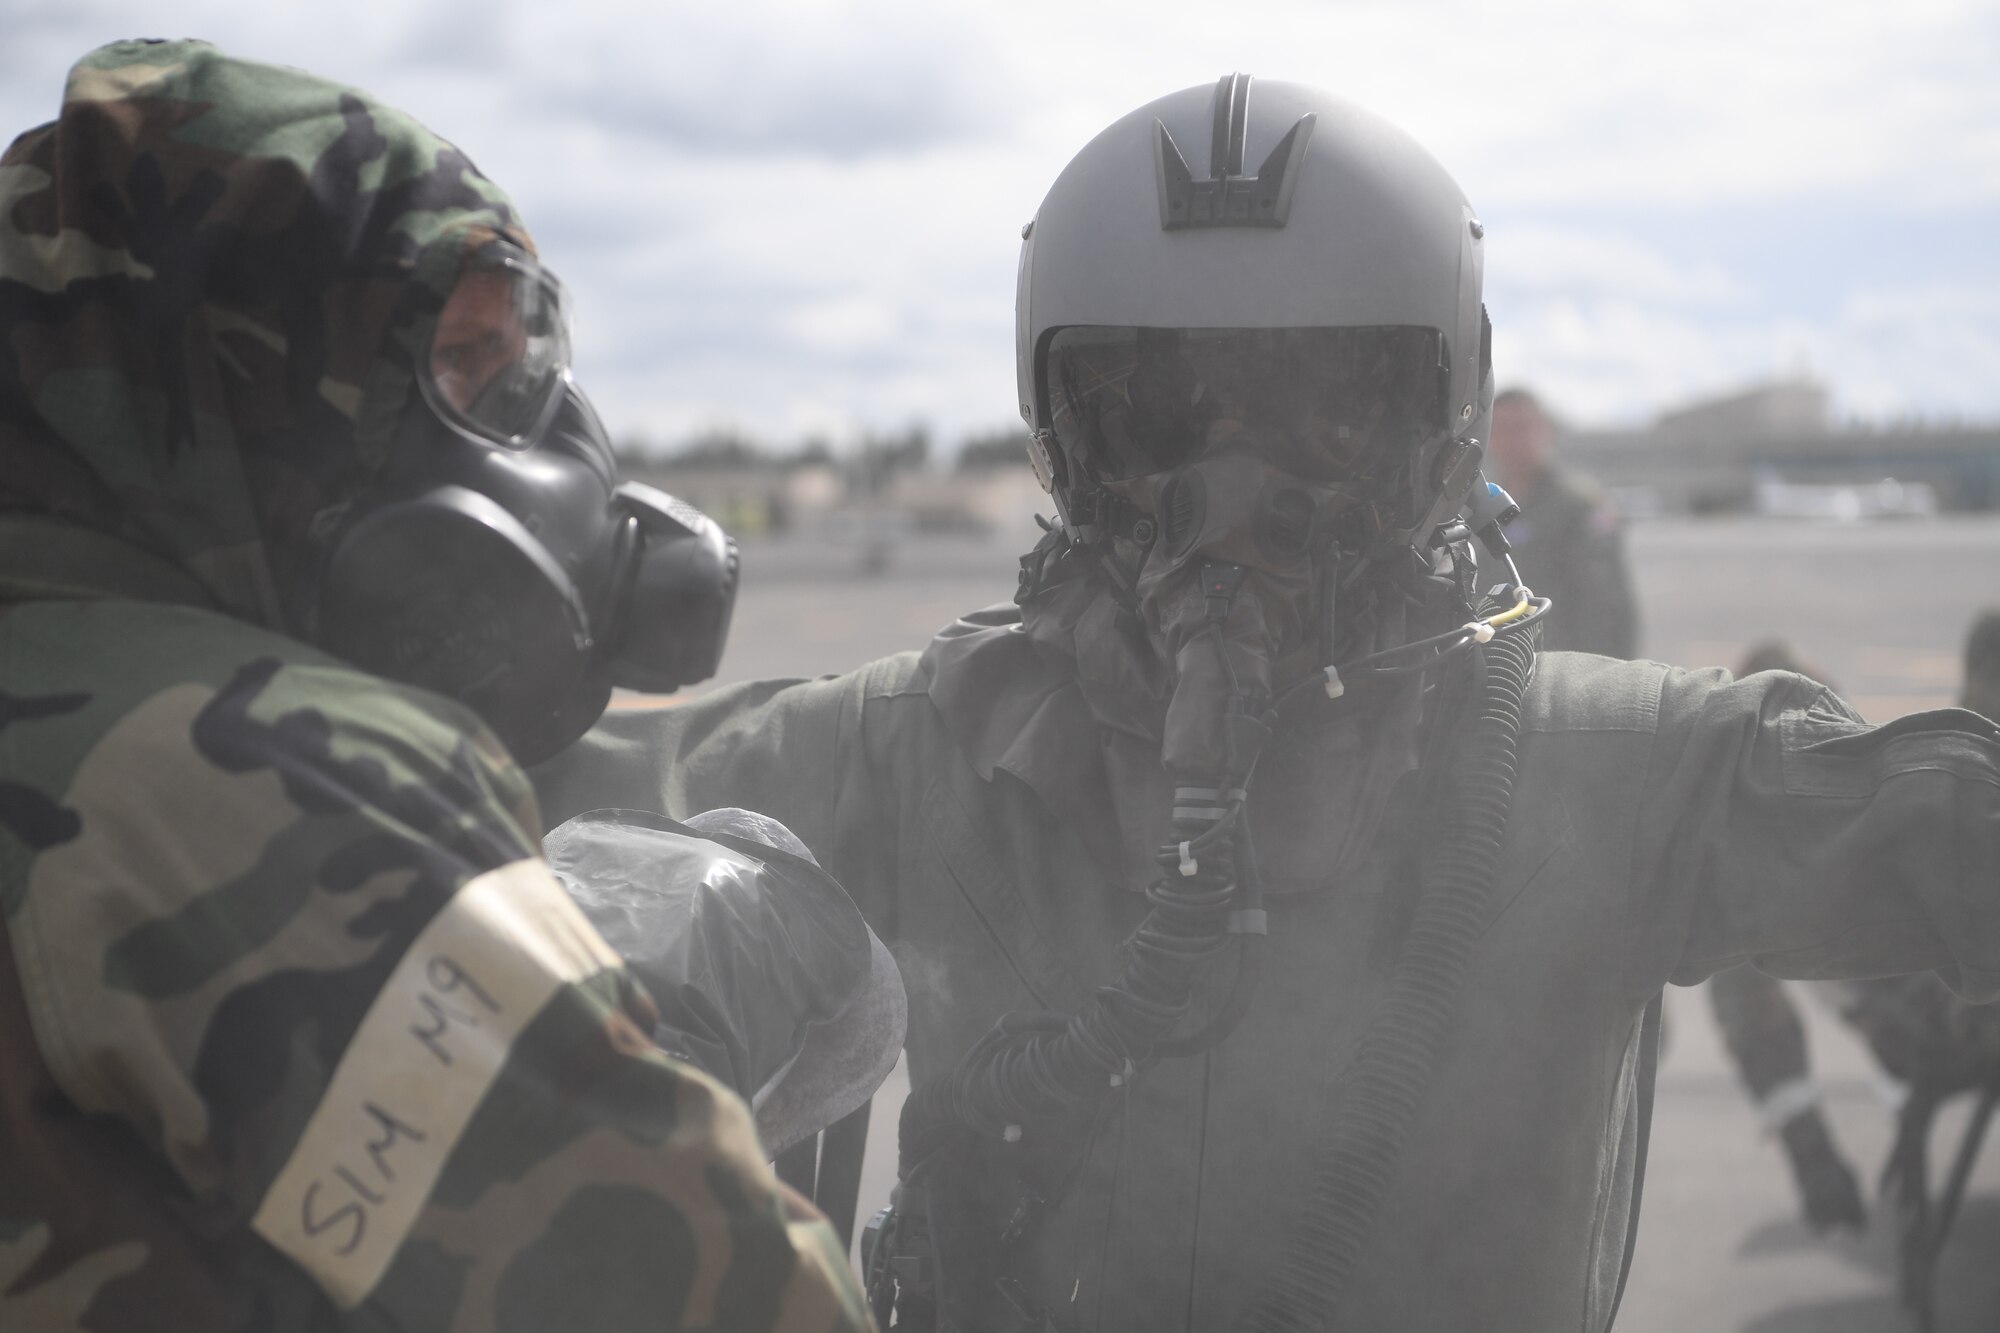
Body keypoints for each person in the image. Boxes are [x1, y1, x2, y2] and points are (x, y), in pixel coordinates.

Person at [534, 74, 2000, 1331]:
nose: (1237, 499)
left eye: (1324, 413)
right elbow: (504, 808)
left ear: (1436, 425)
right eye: (1160, 415)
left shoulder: (1606, 772)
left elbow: (1943, 835)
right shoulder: (910, 749)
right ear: (1065, 434)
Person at [0, 41, 868, 1332]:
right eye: (460, 368)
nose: (533, 433)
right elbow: (730, 1297)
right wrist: (645, 1042)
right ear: (248, 381)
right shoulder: (279, 769)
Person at [1486, 387, 1640, 657]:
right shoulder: (1484, 502)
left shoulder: (1578, 504)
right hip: (1500, 664)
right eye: (1501, 429)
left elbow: (1606, 609)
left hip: (1559, 669)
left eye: (1522, 427)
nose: (1511, 440)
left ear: (1546, 430)